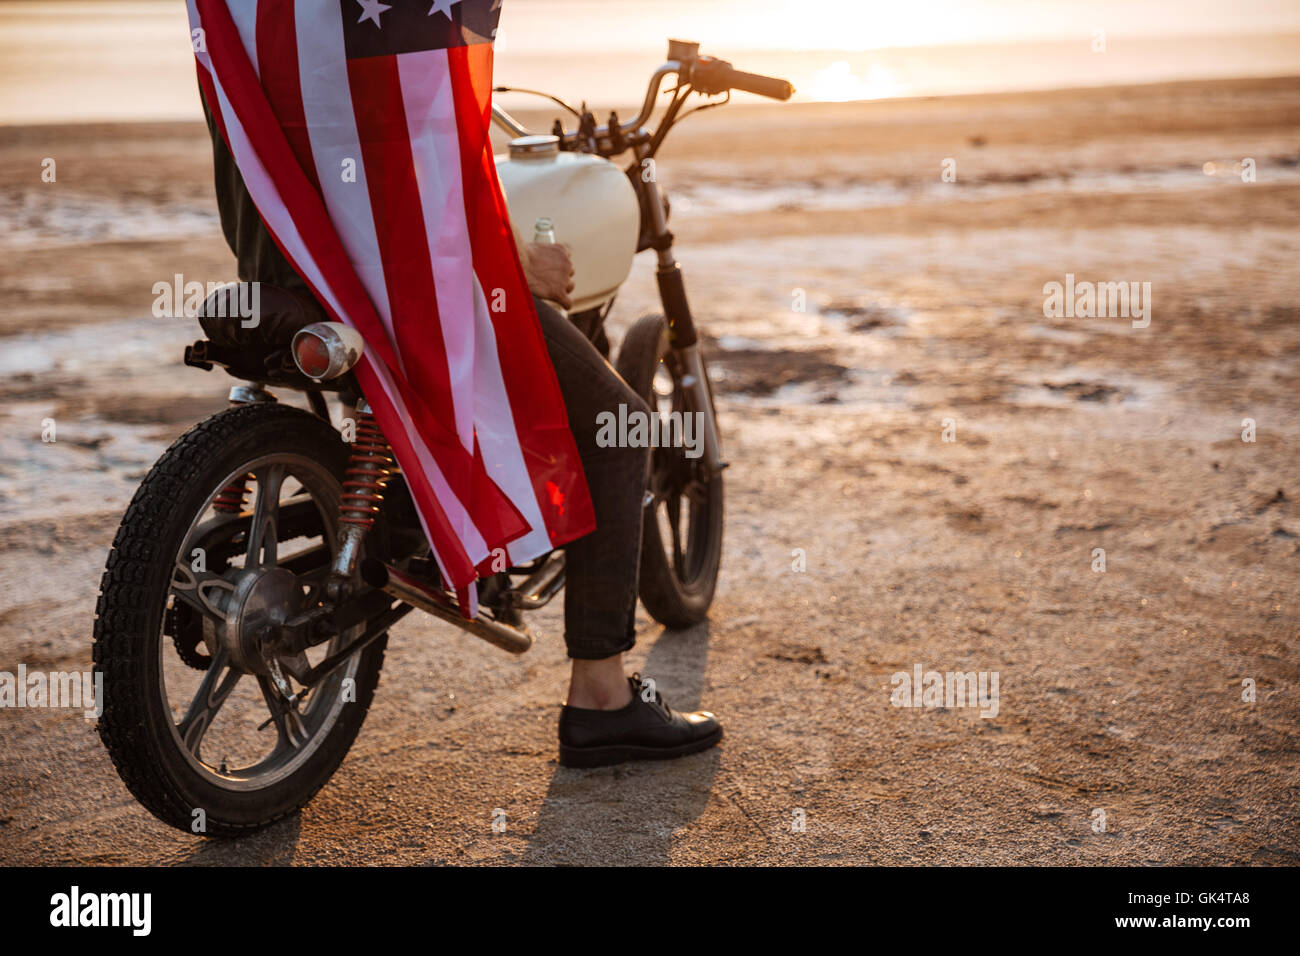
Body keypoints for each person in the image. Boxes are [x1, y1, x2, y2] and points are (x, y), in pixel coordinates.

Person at [198, 84, 723, 769]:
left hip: (283, 280)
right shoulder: (386, 42)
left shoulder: (255, 29)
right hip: (397, 292)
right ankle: (601, 698)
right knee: (621, 424)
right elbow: (409, 172)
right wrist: (506, 267)